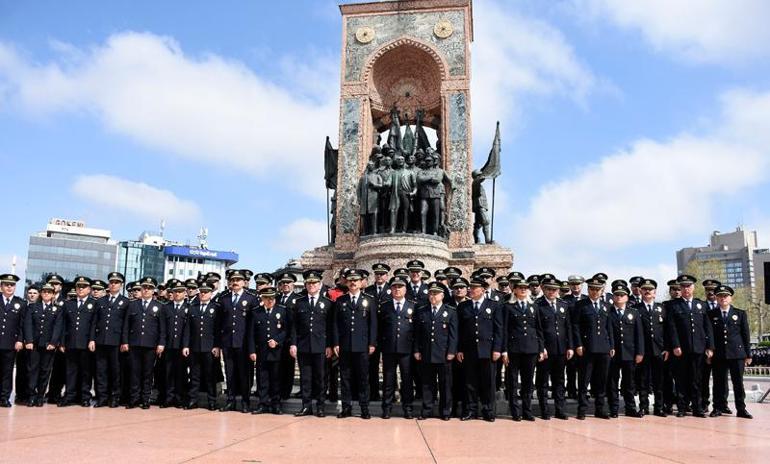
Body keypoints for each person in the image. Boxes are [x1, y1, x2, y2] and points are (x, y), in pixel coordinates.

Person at [456, 277, 504, 422]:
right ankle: (471, 410)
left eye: (474, 288)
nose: (471, 290)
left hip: (488, 350)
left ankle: (488, 410)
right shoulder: (463, 306)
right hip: (469, 350)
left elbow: (498, 329)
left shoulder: (494, 305)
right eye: (470, 287)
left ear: (483, 290)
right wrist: (459, 349)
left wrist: (497, 349)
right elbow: (459, 330)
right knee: (470, 382)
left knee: (488, 382)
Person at [666, 274, 714, 418]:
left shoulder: (701, 305)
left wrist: (710, 346)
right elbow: (671, 327)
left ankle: (697, 407)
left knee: (697, 380)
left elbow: (708, 327)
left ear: (693, 287)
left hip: (698, 348)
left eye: (689, 286)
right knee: (681, 379)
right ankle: (682, 407)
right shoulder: (674, 305)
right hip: (681, 349)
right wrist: (675, 345)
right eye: (683, 286)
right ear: (680, 288)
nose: (686, 289)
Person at [332, 269, 377, 419]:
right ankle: (346, 407)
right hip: (345, 346)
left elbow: (373, 324)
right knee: (345, 378)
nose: (353, 283)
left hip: (362, 346)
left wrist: (372, 343)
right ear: (346, 282)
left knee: (363, 378)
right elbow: (336, 324)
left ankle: (364, 407)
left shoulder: (369, 300)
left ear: (360, 283)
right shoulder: (341, 300)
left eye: (356, 280)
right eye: (350, 280)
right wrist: (336, 343)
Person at [290, 270, 333, 417]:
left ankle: (320, 406)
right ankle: (306, 406)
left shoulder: (327, 303)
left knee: (320, 378)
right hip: (303, 346)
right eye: (309, 283)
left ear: (319, 284)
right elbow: (294, 326)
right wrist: (293, 344)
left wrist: (329, 345)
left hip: (321, 346)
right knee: (305, 378)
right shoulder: (299, 303)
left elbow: (330, 327)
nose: (311, 285)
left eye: (314, 283)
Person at [215, 270, 259, 413]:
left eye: (238, 280)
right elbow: (219, 323)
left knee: (244, 374)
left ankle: (245, 402)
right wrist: (218, 343)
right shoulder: (224, 299)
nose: (235, 282)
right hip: (228, 342)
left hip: (244, 343)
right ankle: (230, 400)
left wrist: (252, 345)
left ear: (244, 282)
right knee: (230, 372)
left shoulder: (252, 298)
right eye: (233, 280)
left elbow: (253, 325)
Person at [414, 281, 457, 420]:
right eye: (431, 293)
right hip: (426, 353)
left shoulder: (450, 312)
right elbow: (417, 334)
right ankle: (426, 410)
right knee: (427, 385)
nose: (433, 296)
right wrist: (416, 350)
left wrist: (452, 351)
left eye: (436, 293)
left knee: (445, 385)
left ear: (442, 295)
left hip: (444, 354)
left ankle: (445, 411)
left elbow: (453, 334)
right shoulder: (422, 311)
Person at [573, 276, 615, 420]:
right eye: (592, 289)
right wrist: (578, 344)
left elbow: (609, 327)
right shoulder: (581, 305)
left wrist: (612, 345)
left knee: (601, 381)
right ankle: (582, 409)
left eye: (597, 289)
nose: (595, 292)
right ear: (588, 289)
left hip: (604, 348)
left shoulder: (606, 306)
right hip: (587, 348)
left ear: (602, 290)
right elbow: (576, 326)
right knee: (584, 380)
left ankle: (600, 409)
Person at [503, 276, 544, 421]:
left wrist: (541, 348)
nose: (523, 290)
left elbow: (538, 329)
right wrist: (504, 350)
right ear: (514, 290)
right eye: (520, 288)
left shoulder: (534, 307)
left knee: (528, 382)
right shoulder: (508, 306)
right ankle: (515, 411)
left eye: (525, 288)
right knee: (513, 381)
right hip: (514, 349)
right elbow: (505, 330)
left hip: (531, 348)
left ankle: (527, 411)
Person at [709, 285, 752, 419]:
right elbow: (709, 335)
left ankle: (741, 409)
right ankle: (717, 407)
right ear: (716, 298)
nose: (723, 298)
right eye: (720, 296)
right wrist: (710, 350)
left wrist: (748, 354)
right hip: (719, 354)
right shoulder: (711, 314)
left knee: (738, 382)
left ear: (730, 298)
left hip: (737, 354)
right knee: (718, 383)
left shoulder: (740, 313)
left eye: (725, 296)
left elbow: (746, 335)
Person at [122, 277, 166, 409]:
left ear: (153, 291)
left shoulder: (159, 306)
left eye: (149, 288)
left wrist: (161, 343)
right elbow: (126, 325)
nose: (146, 290)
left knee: (148, 373)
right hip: (134, 344)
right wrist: (125, 341)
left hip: (151, 345)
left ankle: (145, 399)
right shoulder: (132, 304)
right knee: (134, 372)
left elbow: (162, 328)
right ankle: (134, 399)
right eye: (144, 287)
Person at [377, 275, 416, 419]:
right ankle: (386, 408)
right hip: (389, 349)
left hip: (407, 349)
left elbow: (416, 330)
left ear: (405, 289)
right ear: (391, 289)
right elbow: (380, 329)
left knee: (407, 380)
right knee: (388, 380)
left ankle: (408, 408)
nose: (397, 289)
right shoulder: (385, 306)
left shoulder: (412, 306)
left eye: (400, 287)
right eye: (394, 287)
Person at [535, 276, 573, 420]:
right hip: (546, 350)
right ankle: (544, 410)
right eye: (549, 289)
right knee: (543, 381)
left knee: (559, 381)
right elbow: (537, 328)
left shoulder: (563, 305)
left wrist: (570, 346)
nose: (552, 292)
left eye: (554, 289)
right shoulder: (538, 305)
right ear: (544, 289)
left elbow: (568, 326)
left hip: (561, 349)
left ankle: (560, 410)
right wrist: (541, 347)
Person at [249, 286, 290, 415]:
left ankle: (276, 404)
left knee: (276, 378)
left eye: (272, 298)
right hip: (261, 351)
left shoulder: (282, 311)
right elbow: (251, 334)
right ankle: (263, 403)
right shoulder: (256, 312)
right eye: (267, 298)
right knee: (262, 379)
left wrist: (277, 340)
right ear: (262, 298)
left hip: (276, 352)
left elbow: (287, 330)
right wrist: (252, 351)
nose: (270, 300)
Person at [57, 276, 97, 407]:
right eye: (78, 286)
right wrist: (62, 342)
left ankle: (84, 396)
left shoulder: (94, 304)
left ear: (89, 289)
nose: (80, 289)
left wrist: (92, 339)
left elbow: (94, 324)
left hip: (86, 343)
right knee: (71, 370)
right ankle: (70, 395)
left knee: (86, 371)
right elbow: (63, 325)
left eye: (84, 287)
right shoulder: (69, 304)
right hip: (71, 342)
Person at [92, 272, 129, 408]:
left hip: (116, 342)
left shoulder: (125, 302)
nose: (113, 284)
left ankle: (114, 397)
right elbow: (94, 322)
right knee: (101, 371)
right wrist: (92, 339)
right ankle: (102, 397)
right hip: (101, 341)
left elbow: (125, 324)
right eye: (111, 282)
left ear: (121, 285)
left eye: (116, 282)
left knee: (115, 371)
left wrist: (124, 341)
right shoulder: (100, 301)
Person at [606, 282, 644, 418]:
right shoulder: (608, 313)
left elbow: (639, 334)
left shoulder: (634, 312)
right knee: (612, 382)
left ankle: (630, 408)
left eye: (622, 295)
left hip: (630, 353)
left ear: (627, 297)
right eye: (616, 295)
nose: (619, 297)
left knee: (629, 383)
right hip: (614, 353)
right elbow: (607, 332)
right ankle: (614, 408)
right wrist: (610, 347)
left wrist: (640, 352)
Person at [182, 280, 219, 410]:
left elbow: (218, 330)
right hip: (195, 347)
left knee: (210, 376)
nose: (203, 294)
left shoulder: (216, 308)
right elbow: (188, 329)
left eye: (206, 292)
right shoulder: (193, 308)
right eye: (201, 292)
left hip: (209, 348)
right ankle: (193, 400)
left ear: (211, 293)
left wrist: (216, 346)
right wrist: (186, 345)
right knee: (194, 375)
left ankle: (212, 401)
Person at [162, 279, 189, 408]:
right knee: (168, 372)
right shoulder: (166, 307)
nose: (178, 294)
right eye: (175, 292)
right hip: (169, 345)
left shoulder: (189, 308)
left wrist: (186, 345)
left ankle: (179, 398)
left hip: (182, 346)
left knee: (181, 373)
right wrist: (161, 343)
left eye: (180, 291)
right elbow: (162, 328)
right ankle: (169, 397)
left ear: (185, 293)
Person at [0, 274, 25, 407]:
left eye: (12, 285)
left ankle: (4, 397)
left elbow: (22, 324)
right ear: (1, 286)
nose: (9, 287)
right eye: (6, 285)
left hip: (10, 343)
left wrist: (20, 340)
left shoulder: (20, 303)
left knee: (7, 372)